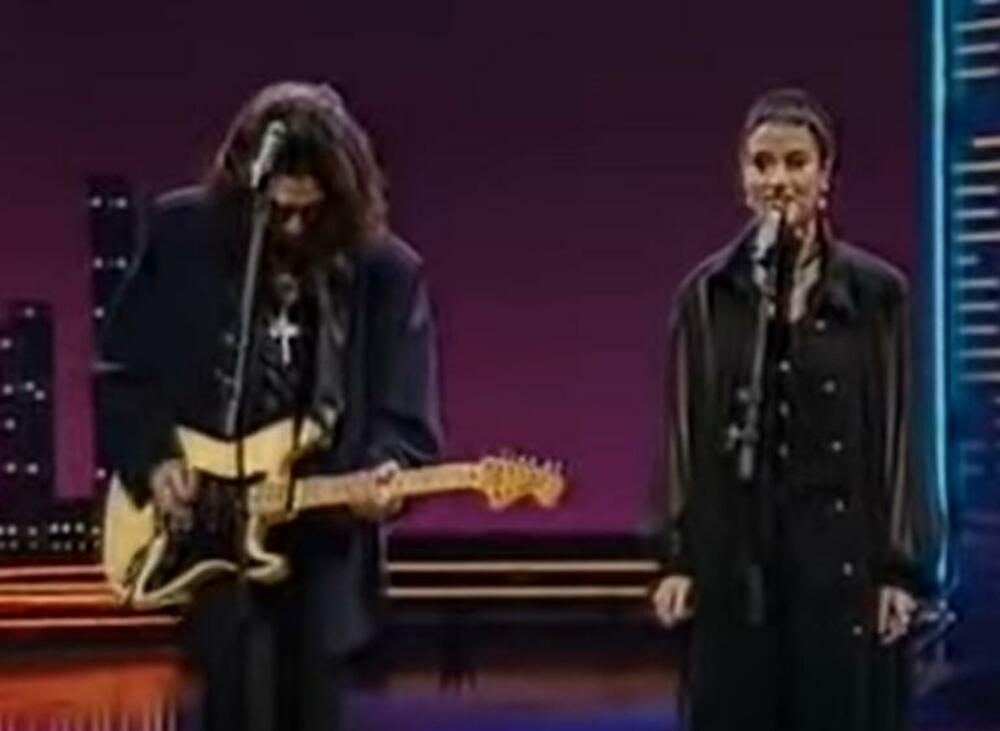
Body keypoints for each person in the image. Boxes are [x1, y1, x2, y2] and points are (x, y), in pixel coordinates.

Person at [98, 81, 443, 731]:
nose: (293, 227)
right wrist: (155, 460)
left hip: (323, 562)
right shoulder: (183, 238)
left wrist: (387, 472)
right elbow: (123, 372)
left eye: (311, 213)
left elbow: (407, 421)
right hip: (211, 551)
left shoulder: (388, 275)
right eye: (278, 211)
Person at [650, 88, 939, 731]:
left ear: (824, 175)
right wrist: (677, 558)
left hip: (841, 566)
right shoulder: (708, 296)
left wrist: (900, 569)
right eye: (762, 164)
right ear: (742, 178)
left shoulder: (877, 295)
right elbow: (683, 435)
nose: (778, 180)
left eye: (795, 162)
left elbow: (900, 431)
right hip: (738, 566)